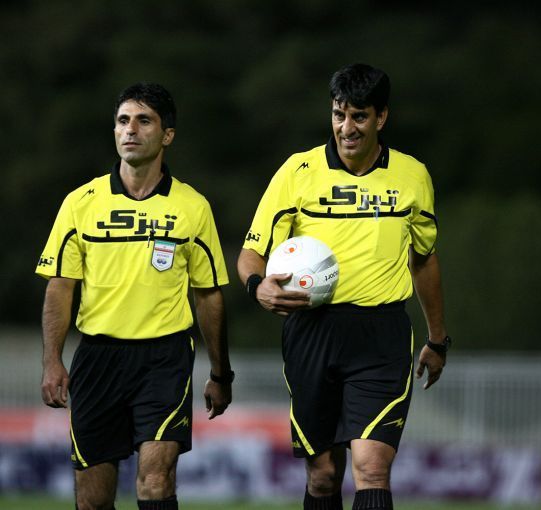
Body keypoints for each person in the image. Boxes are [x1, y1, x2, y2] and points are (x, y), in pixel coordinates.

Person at [237, 63, 449, 510]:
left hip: (381, 335)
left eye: (359, 116)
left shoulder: (412, 176)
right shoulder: (297, 172)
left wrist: (437, 338)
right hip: (312, 332)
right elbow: (251, 254)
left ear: (381, 117)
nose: (346, 128)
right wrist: (258, 287)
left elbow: (424, 259)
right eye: (339, 115)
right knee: (323, 476)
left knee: (371, 468)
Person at [37, 82, 233, 510]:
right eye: (123, 121)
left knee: (156, 481)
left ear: (167, 135)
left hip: (165, 359)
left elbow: (208, 295)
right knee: (92, 498)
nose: (130, 130)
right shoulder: (80, 203)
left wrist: (221, 374)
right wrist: (52, 360)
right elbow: (60, 286)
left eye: (144, 121)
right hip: (98, 358)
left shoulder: (192, 206)